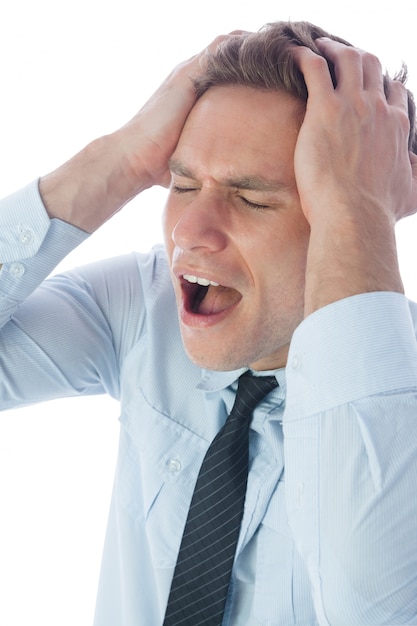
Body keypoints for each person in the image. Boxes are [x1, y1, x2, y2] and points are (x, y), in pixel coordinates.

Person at [1, 19, 417, 625]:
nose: (188, 235)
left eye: (253, 199)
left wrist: (356, 210)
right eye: (182, 183)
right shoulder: (144, 307)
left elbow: (374, 611)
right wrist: (120, 157)